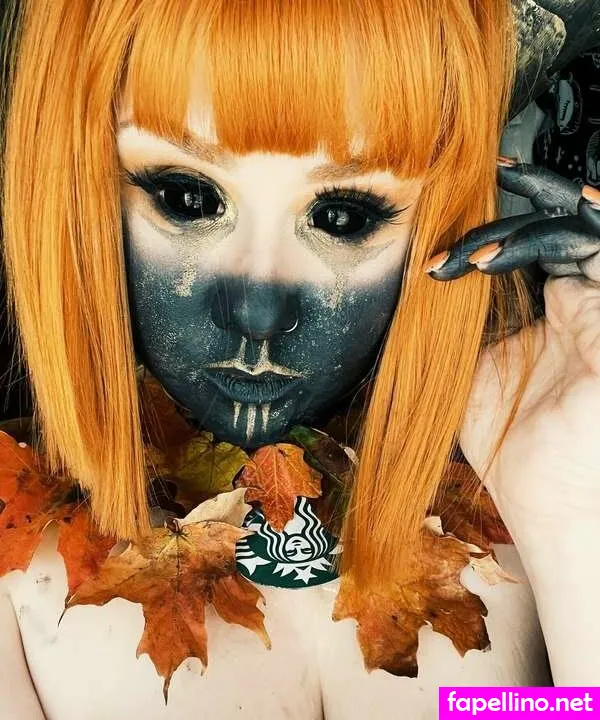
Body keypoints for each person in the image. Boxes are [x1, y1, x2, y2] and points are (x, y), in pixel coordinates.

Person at [1, 0, 600, 718]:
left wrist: (566, 509)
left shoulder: (526, 520)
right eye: (186, 197)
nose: (258, 311)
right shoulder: (14, 571)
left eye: (341, 216)